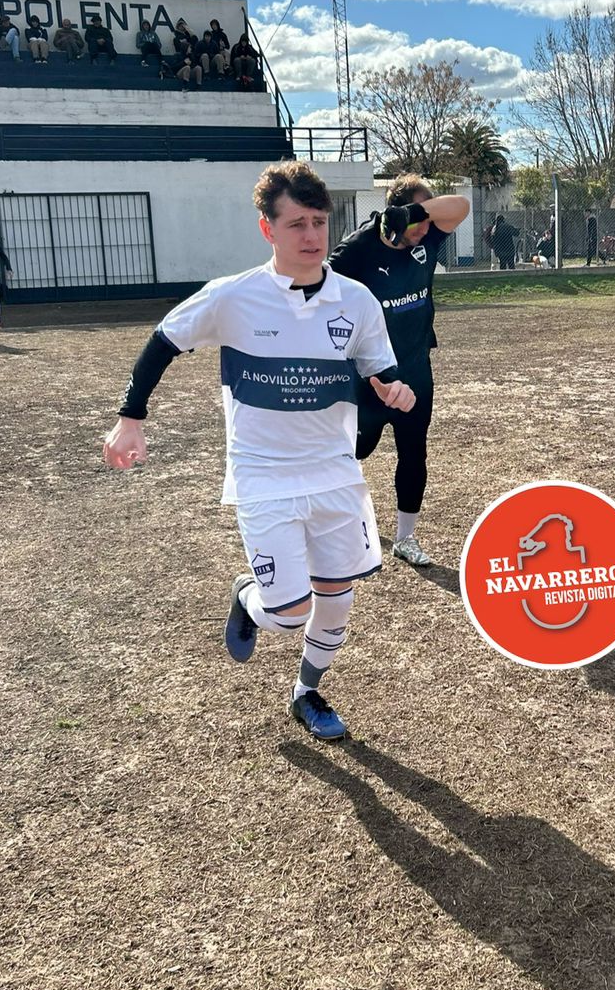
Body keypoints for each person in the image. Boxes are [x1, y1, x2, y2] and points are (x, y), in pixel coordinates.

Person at [103, 163, 415, 742]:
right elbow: (163, 341)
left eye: (318, 221)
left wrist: (395, 388)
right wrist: (130, 419)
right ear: (268, 228)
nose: (312, 235)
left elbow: (381, 366)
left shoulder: (356, 300)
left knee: (336, 601)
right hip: (264, 476)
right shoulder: (233, 296)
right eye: (296, 224)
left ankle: (306, 693)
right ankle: (247, 597)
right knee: (289, 613)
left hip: (335, 474)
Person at [328, 175, 471, 569]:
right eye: (418, 220)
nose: (427, 228)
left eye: (428, 218)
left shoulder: (425, 236)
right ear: (394, 212)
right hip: (369, 379)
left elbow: (460, 207)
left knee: (413, 452)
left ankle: (406, 538)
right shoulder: (358, 249)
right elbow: (318, 291)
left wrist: (418, 213)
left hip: (416, 370)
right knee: (353, 452)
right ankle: (338, 522)